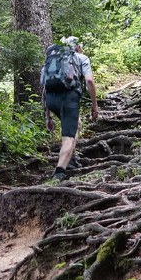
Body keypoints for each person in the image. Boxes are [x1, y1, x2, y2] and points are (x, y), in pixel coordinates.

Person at [42, 36, 99, 181]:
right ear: (77, 47)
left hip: (51, 100)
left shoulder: (52, 60)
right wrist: (94, 105)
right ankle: (59, 172)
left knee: (76, 124)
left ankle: (71, 159)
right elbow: (89, 80)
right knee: (68, 137)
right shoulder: (81, 57)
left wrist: (47, 116)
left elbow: (45, 88)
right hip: (69, 99)